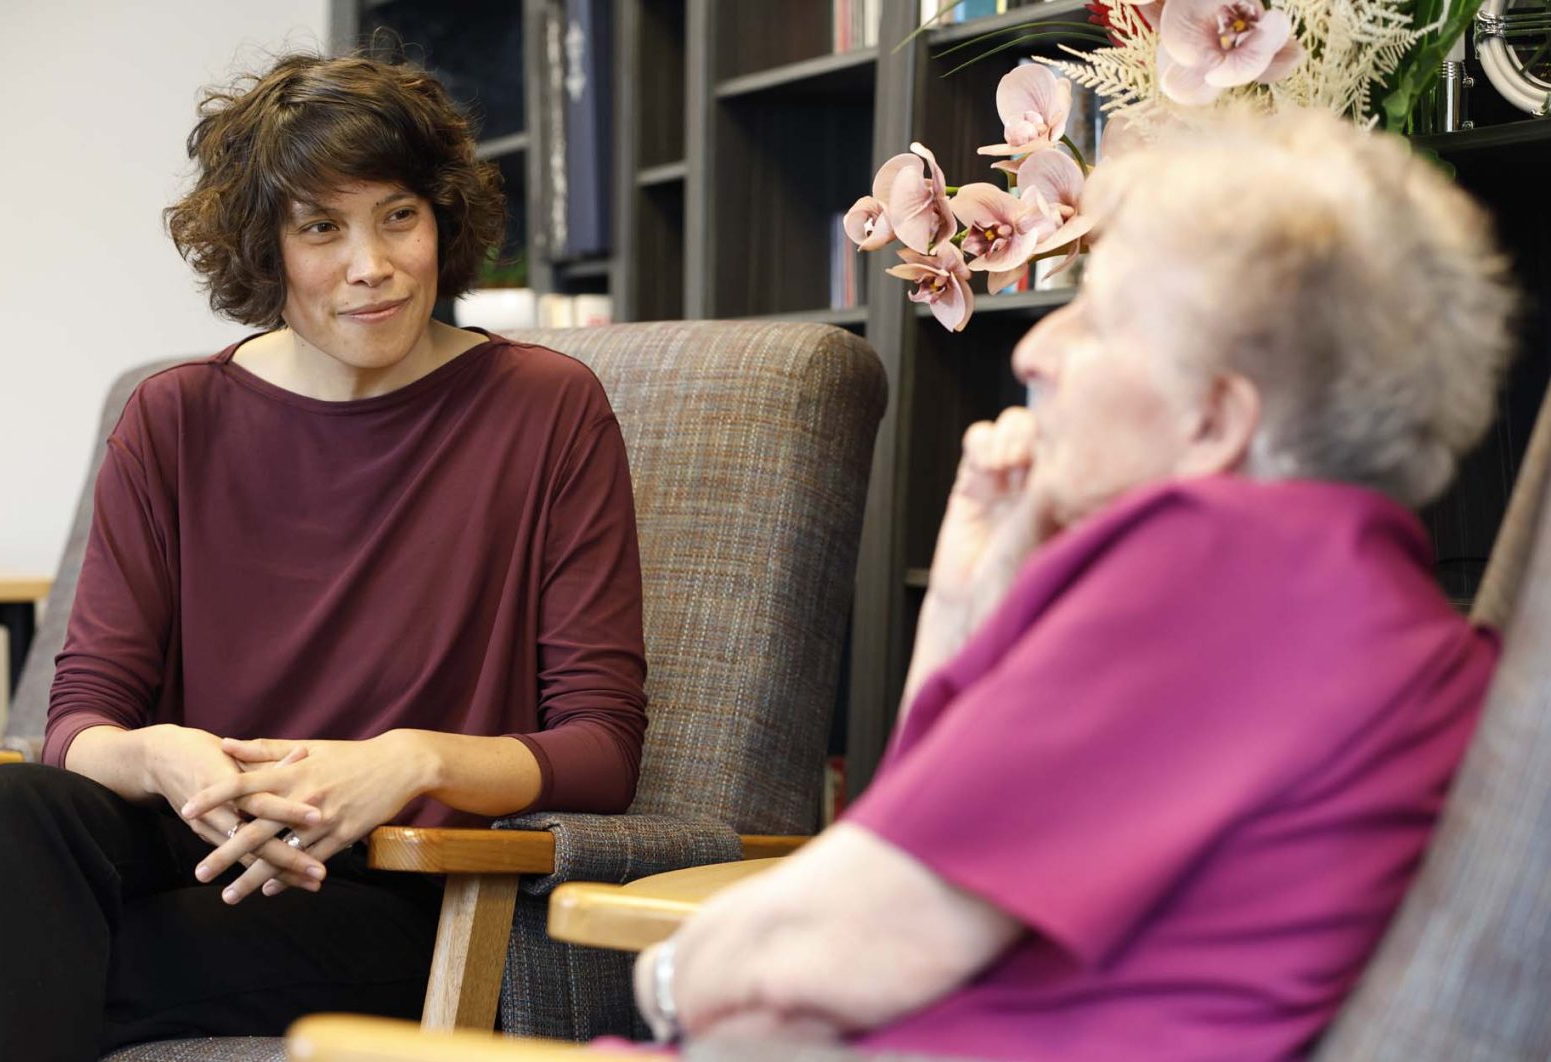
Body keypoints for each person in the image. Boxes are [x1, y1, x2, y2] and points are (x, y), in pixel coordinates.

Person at [630, 110, 1518, 1061]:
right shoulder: (1367, 607)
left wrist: (668, 976)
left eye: (1094, 316)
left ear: (1212, 420)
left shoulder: (1216, 564)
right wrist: (967, 607)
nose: (1030, 353)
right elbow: (905, 866)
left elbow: (833, 947)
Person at [0, 51, 647, 1062]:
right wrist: (165, 757)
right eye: (321, 228)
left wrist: (408, 761)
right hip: (201, 840)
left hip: (395, 881)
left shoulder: (547, 410)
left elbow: (603, 747)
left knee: (14, 954)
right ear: (264, 248)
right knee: (11, 808)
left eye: (398, 216)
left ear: (441, 219)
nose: (372, 265)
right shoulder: (174, 419)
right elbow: (79, 723)